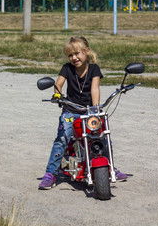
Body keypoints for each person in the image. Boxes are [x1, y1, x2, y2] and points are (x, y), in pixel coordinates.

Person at [38, 36, 127, 190]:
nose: (74, 58)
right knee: (62, 138)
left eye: (77, 53)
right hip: (71, 111)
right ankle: (51, 174)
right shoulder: (66, 68)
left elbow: (95, 89)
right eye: (70, 55)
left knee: (103, 136)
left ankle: (110, 167)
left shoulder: (94, 69)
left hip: (89, 111)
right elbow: (58, 83)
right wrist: (58, 94)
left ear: (87, 51)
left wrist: (96, 109)